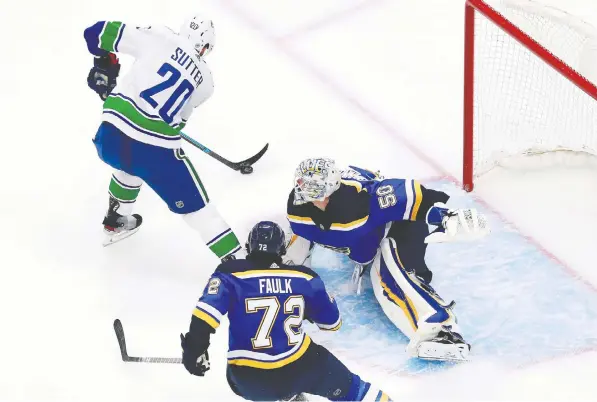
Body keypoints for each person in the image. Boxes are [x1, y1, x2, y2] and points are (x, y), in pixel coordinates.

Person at [284, 158, 491, 361]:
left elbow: (404, 196)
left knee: (390, 273)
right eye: (303, 185)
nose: (306, 192)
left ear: (331, 187)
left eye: (314, 187)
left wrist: (445, 216)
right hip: (362, 242)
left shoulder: (360, 199)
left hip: (397, 225)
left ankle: (442, 330)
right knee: (292, 257)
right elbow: (304, 232)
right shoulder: (297, 206)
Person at [83, 16, 243, 260]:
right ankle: (241, 264)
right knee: (200, 212)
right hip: (154, 151)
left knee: (128, 162)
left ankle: (116, 219)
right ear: (207, 48)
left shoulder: (159, 35)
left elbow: (95, 33)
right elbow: (177, 121)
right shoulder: (206, 83)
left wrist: (103, 63)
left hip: (109, 136)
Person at [180, 221, 393, 402]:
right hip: (300, 369)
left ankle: (285, 396)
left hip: (248, 381)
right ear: (282, 250)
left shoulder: (229, 273)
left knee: (256, 379)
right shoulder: (304, 277)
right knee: (355, 391)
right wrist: (306, 309)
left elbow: (204, 315)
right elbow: (332, 324)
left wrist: (194, 350)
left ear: (249, 247)